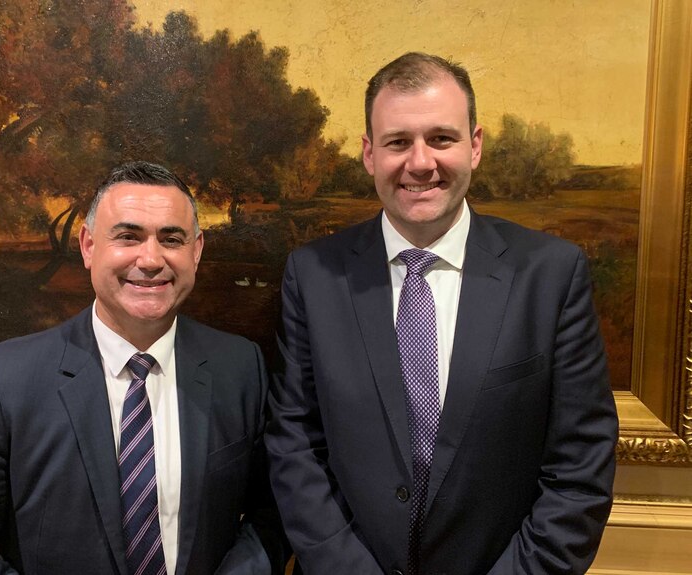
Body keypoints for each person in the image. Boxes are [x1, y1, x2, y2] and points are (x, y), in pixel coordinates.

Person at [265, 52, 618, 575]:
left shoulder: (550, 274)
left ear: (475, 146)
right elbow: (296, 447)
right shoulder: (313, 275)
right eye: (397, 142)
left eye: (441, 138)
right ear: (368, 154)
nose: (421, 162)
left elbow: (579, 466)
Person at [0, 161, 286, 575]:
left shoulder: (240, 368)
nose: (151, 259)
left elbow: (272, 515)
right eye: (128, 236)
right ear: (88, 246)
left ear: (196, 251)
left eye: (171, 239)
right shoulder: (6, 381)